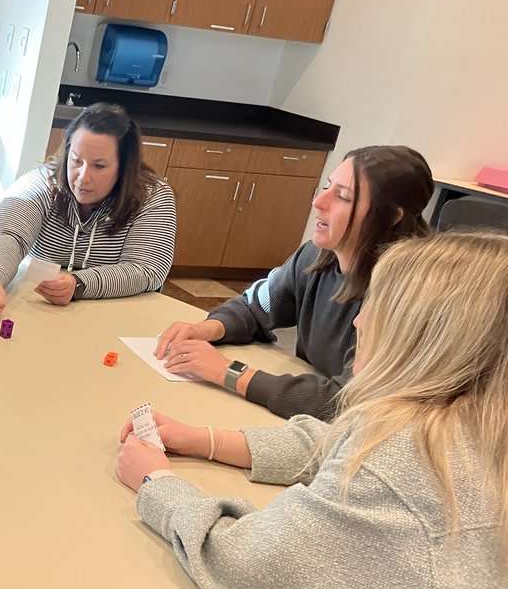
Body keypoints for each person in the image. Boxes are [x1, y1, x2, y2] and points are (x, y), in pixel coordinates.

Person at [109, 231, 508, 589]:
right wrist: (206, 439)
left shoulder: (407, 469)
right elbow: (334, 441)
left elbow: (249, 562)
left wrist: (157, 484)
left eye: (378, 306)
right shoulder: (474, 425)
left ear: (421, 334)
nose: (359, 320)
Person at [154, 144, 432, 420]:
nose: (318, 202)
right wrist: (208, 329)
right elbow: (255, 307)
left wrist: (229, 373)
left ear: (391, 217)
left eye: (343, 197)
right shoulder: (315, 256)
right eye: (327, 187)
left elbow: (347, 403)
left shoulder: (408, 292)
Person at [0, 103, 175, 317]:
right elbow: (10, 236)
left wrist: (78, 283)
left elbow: (146, 269)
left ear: (124, 167)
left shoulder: (153, 197)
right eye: (76, 160)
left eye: (99, 166)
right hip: (39, 307)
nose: (83, 177)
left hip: (116, 314)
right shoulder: (42, 183)